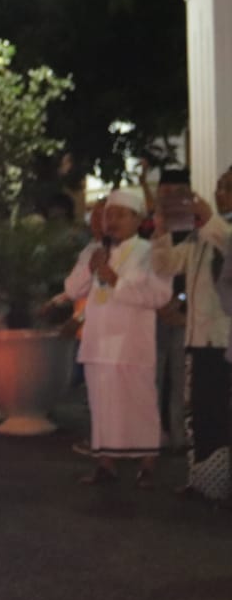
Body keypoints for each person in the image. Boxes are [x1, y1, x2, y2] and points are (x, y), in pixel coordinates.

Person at [63, 187, 174, 486]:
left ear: (138, 220)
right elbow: (73, 289)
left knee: (140, 404)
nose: (112, 221)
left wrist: (117, 281)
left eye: (120, 215)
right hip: (97, 342)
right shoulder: (93, 250)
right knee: (102, 407)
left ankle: (148, 465)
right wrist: (92, 267)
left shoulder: (150, 251)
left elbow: (160, 295)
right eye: (108, 214)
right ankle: (105, 465)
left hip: (131, 343)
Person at [152, 168, 224, 475]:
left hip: (222, 338)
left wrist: (209, 220)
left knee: (221, 412)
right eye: (219, 188)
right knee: (201, 411)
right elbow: (167, 264)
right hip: (198, 336)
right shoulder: (201, 235)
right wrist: (160, 232)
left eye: (228, 188)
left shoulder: (217, 231)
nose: (221, 194)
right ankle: (204, 478)